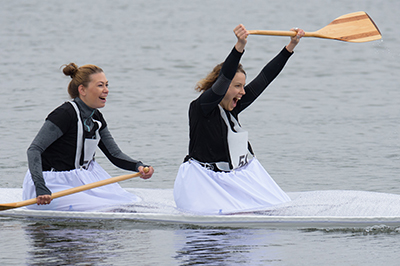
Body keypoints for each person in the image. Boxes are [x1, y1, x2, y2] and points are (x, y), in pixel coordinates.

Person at [173, 24, 304, 214]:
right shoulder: (202, 107)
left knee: (275, 207)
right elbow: (224, 78)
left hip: (229, 176)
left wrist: (290, 46)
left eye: (243, 86)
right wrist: (239, 46)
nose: (243, 92)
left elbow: (265, 77)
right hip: (202, 181)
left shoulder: (233, 106)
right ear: (223, 86)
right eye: (237, 86)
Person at [22, 63, 154, 211]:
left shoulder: (96, 117)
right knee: (107, 208)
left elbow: (114, 154)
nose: (106, 90)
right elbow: (34, 150)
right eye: (100, 85)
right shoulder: (64, 114)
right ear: (82, 90)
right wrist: (41, 187)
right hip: (50, 186)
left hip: (81, 179)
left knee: (130, 202)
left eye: (106, 85)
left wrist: (139, 166)